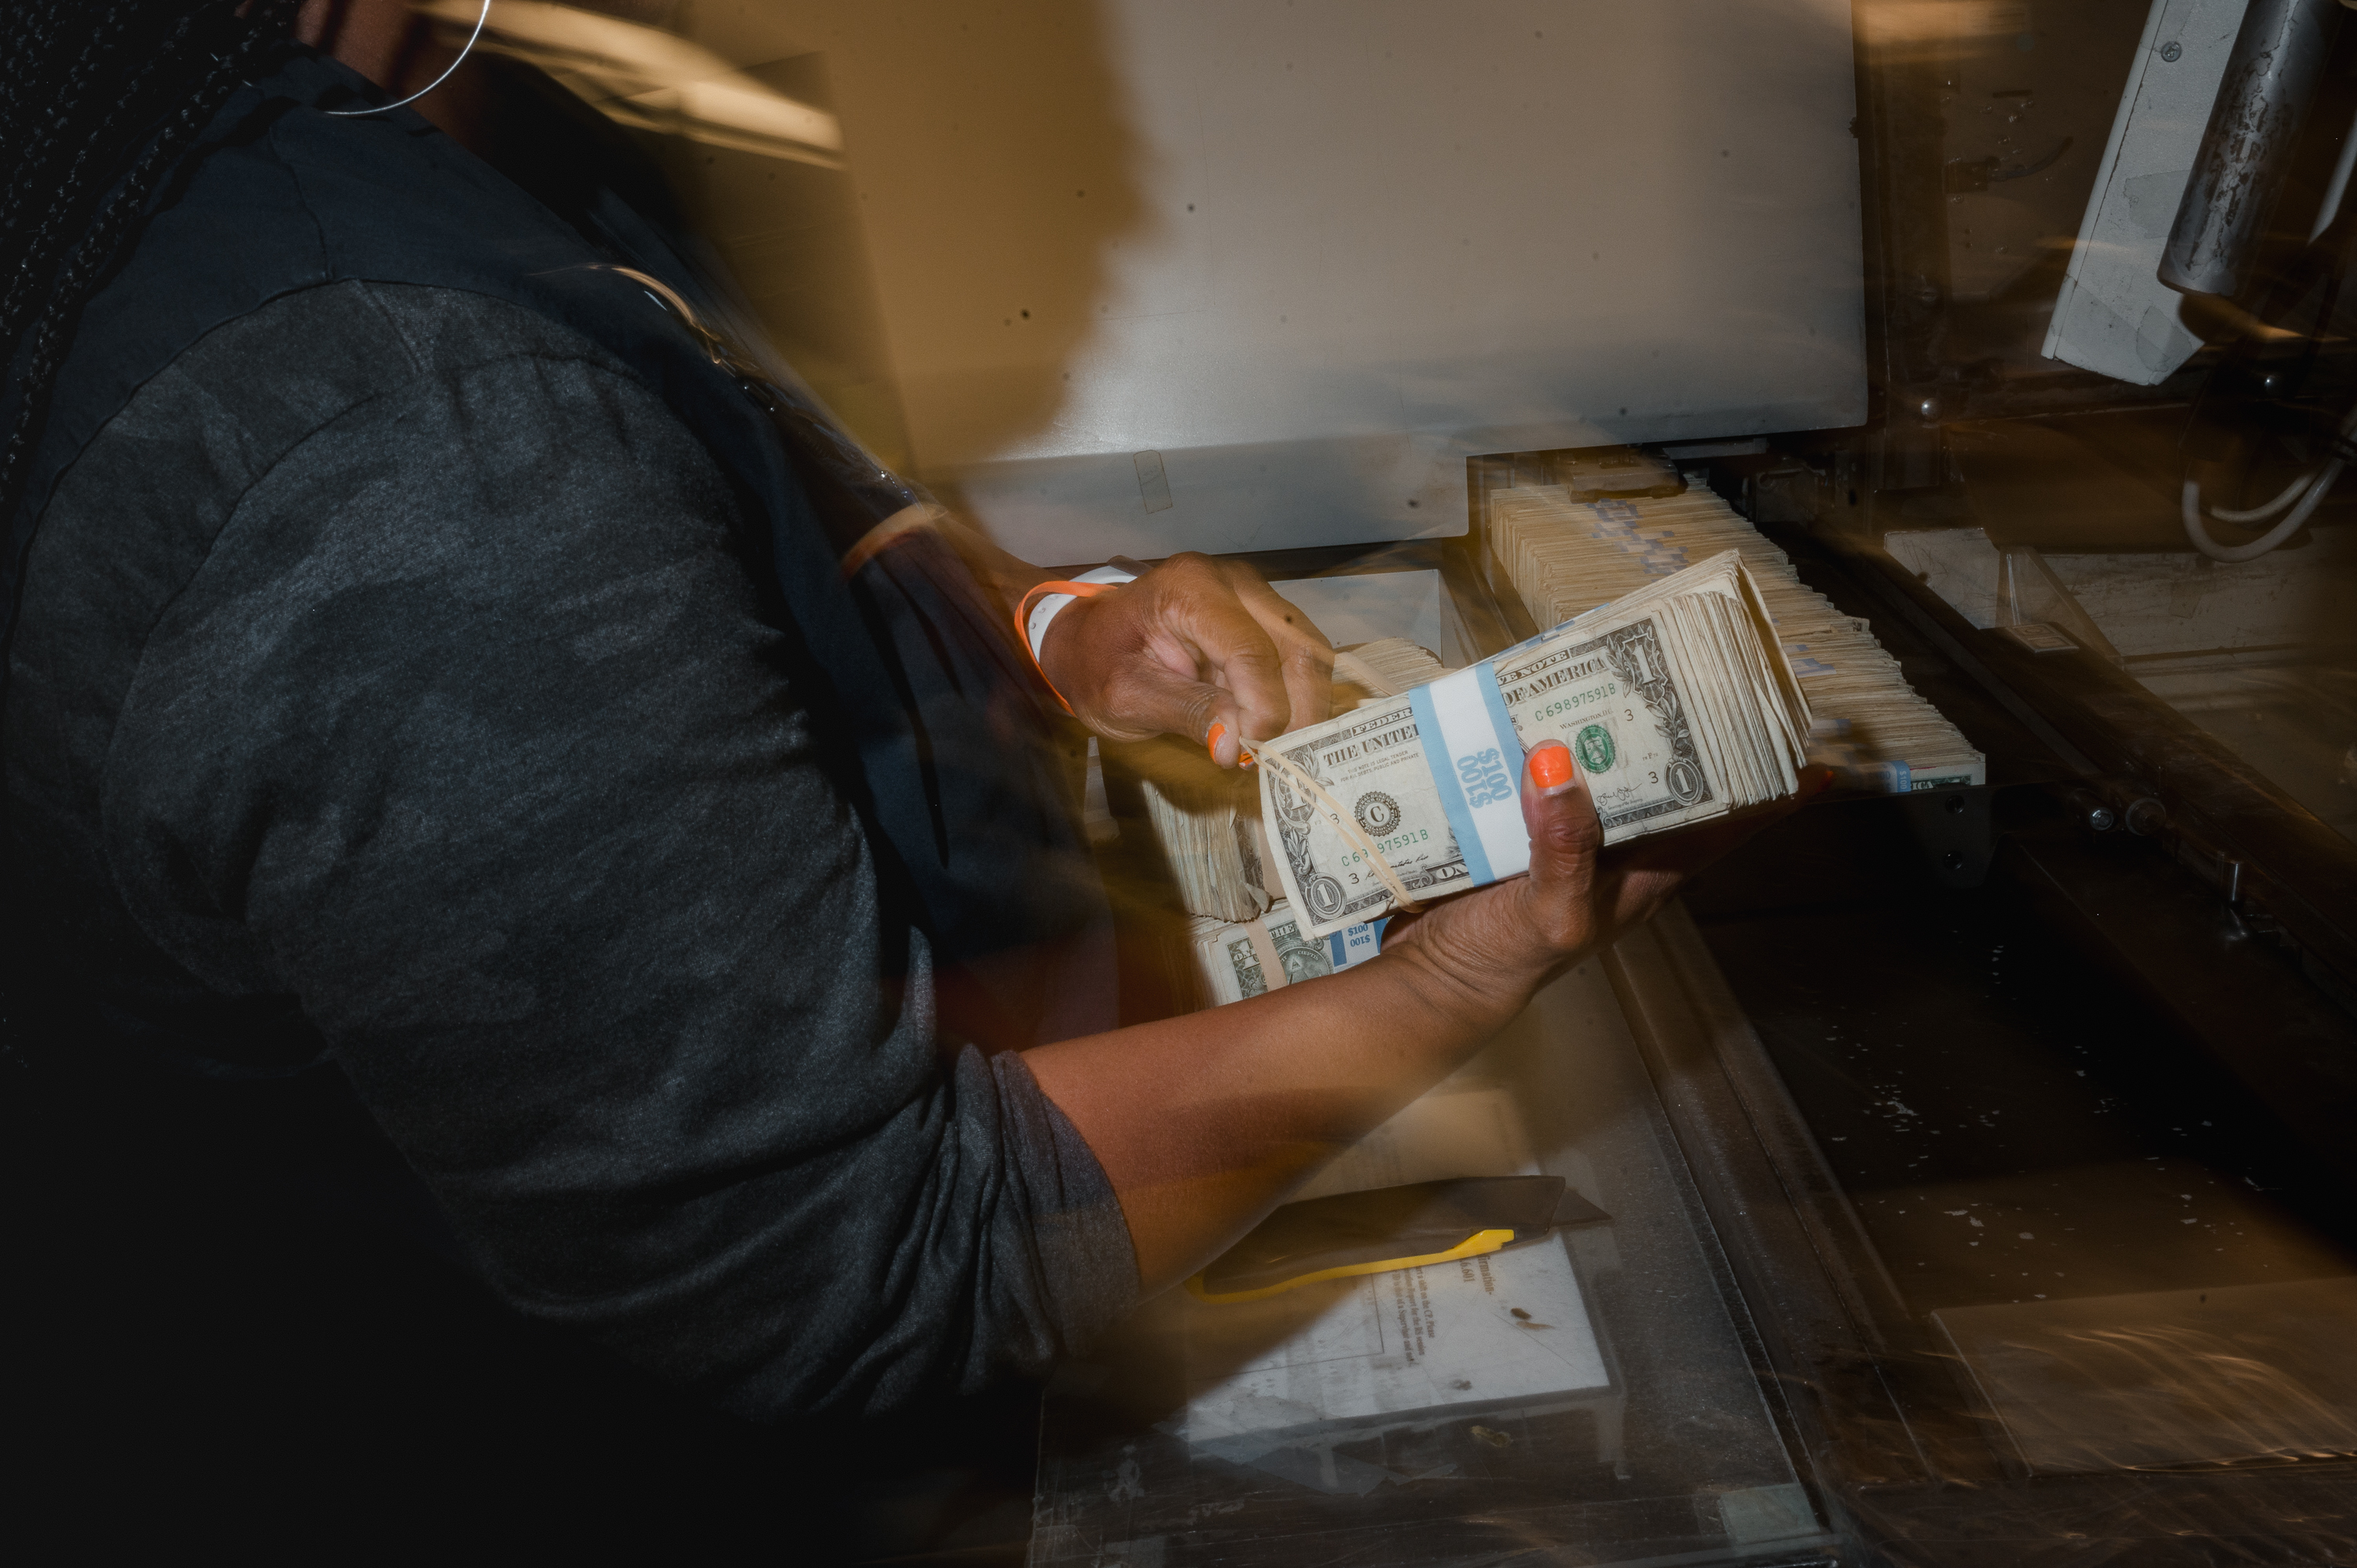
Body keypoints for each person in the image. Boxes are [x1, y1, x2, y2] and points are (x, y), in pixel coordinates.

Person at [2, 0, 1799, 1535]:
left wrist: (1053, 629)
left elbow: (775, 519)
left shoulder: (495, 120)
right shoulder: (400, 429)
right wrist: (1449, 979)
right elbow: (855, 1255)